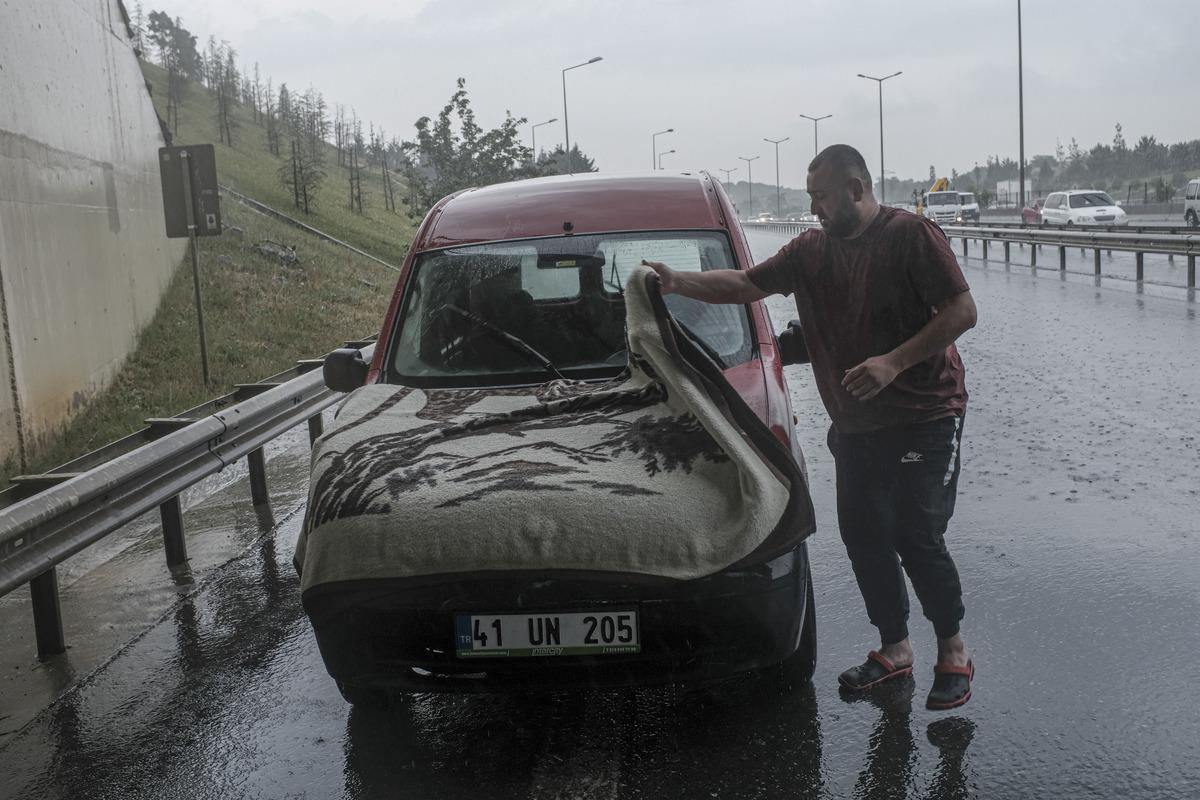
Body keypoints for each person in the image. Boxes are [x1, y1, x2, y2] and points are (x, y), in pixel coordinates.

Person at [642, 144, 978, 710]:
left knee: (915, 535)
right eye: (810, 198)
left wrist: (893, 362)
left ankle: (954, 650)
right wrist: (678, 282)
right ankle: (895, 648)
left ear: (856, 189)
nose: (814, 208)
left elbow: (962, 311)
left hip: (925, 415)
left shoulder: (909, 236)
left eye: (821, 197)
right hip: (858, 424)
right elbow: (744, 284)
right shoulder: (810, 251)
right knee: (863, 534)